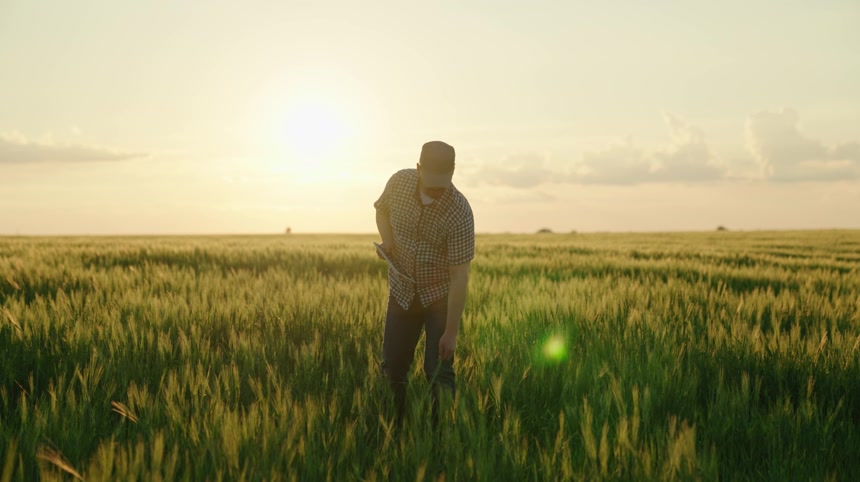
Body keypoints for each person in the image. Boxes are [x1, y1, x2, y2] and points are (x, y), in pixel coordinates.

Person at [373, 140, 475, 428]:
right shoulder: (399, 183)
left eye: (442, 187)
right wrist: (388, 241)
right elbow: (381, 210)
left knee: (438, 371)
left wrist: (451, 333)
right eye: (431, 187)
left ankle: (442, 436)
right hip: (402, 292)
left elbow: (460, 277)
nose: (436, 194)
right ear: (418, 169)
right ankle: (394, 429)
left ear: (453, 173)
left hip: (438, 298)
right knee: (392, 368)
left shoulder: (459, 212)